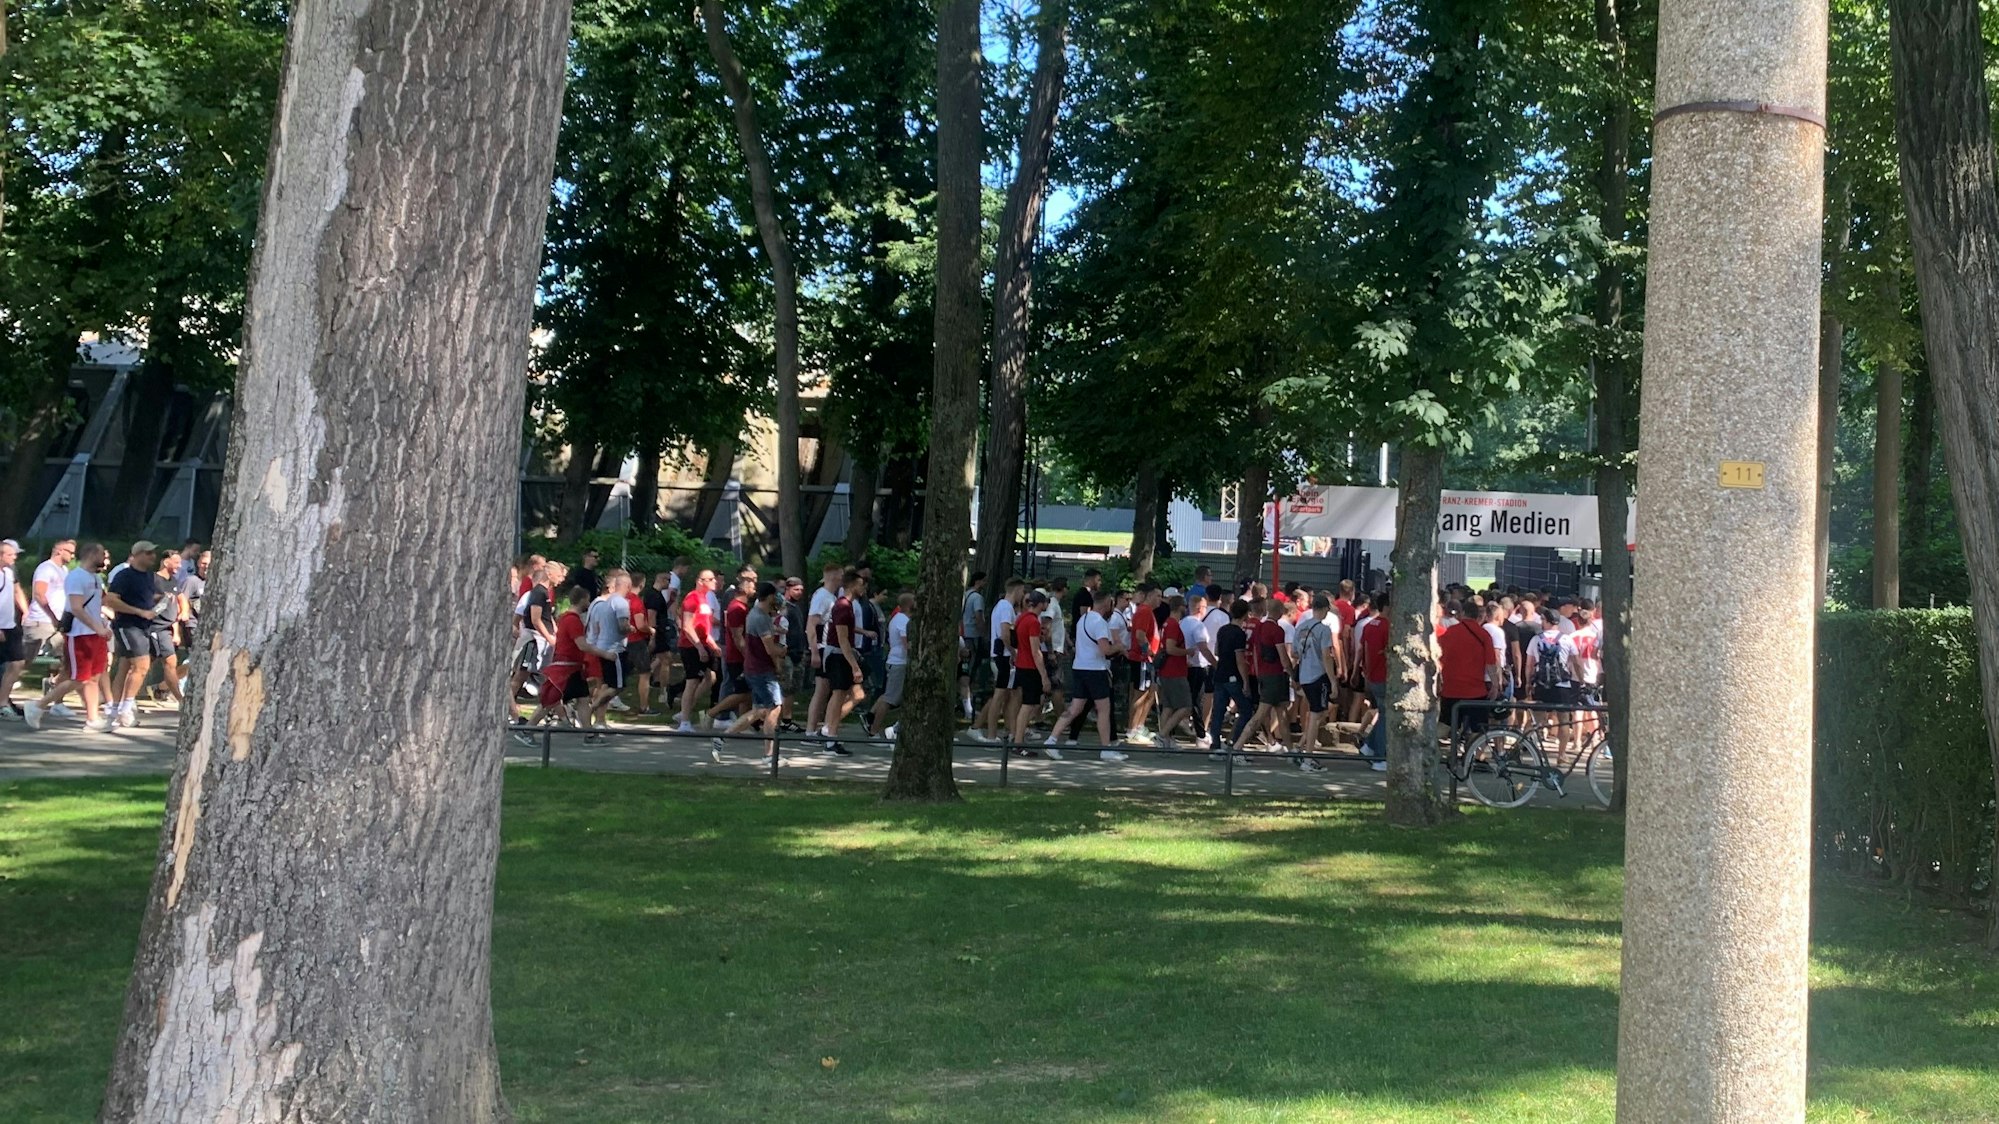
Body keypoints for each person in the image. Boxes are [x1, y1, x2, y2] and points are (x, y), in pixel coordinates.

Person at [24, 543, 113, 733]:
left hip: (95, 634)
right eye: (102, 555)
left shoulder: (96, 578)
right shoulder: (76, 577)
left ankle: (92, 719)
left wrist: (103, 625)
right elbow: (76, 607)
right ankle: (38, 705)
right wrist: (97, 627)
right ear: (92, 555)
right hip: (79, 634)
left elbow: (98, 604)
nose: (104, 560)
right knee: (79, 678)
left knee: (94, 677)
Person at [1043, 589, 1128, 761]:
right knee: (1104, 709)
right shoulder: (1100, 623)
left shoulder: (1083, 619)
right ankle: (1106, 749)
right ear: (1106, 603)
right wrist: (1119, 647)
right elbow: (1105, 650)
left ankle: (1051, 740)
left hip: (1080, 667)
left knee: (1075, 708)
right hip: (1095, 670)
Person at [720, 582, 786, 766]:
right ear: (771, 596)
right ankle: (769, 755)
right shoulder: (760, 617)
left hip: (754, 668)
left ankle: (722, 737)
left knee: (759, 711)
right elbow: (769, 648)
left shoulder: (756, 614)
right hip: (761, 670)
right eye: (776, 595)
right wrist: (782, 652)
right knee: (774, 709)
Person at [103, 542, 167, 728]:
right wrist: (139, 611)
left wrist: (159, 602)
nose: (152, 557)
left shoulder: (149, 577)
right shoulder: (125, 576)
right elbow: (110, 600)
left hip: (144, 627)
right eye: (148, 553)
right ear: (137, 554)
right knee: (141, 666)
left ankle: (115, 710)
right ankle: (125, 708)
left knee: (124, 668)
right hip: (128, 626)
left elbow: (150, 596)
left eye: (153, 553)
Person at [516, 588, 593, 742]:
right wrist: (603, 653)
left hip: (573, 667)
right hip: (565, 668)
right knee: (549, 701)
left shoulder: (567, 618)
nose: (589, 603)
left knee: (583, 699)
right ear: (583, 600)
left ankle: (589, 733)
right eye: (587, 599)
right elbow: (581, 644)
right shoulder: (572, 620)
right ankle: (528, 730)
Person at [1230, 598, 1295, 757]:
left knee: (1282, 714)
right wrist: (1293, 675)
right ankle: (1237, 747)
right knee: (1261, 715)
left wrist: (1259, 676)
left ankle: (1291, 750)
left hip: (1264, 674)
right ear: (1280, 612)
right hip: (1276, 676)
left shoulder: (1260, 628)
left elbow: (1257, 655)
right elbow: (1283, 657)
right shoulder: (1277, 630)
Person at [815, 569, 865, 753]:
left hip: (840, 654)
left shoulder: (846, 605)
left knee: (852, 695)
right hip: (838, 655)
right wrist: (854, 666)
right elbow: (843, 639)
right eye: (861, 584)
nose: (864, 588)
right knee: (838, 696)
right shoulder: (843, 606)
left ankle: (829, 732)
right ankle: (830, 739)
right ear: (851, 585)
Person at [1437, 598, 1501, 741]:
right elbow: (1490, 664)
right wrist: (1495, 684)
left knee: (1445, 725)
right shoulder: (1484, 635)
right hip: (1475, 690)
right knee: (1478, 731)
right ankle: (1471, 759)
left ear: (1462, 613)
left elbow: (1439, 656)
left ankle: (1428, 752)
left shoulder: (1450, 633)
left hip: (1451, 688)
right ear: (1478, 616)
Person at [581, 571, 632, 741]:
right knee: (617, 686)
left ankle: (599, 719)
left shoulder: (605, 602)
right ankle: (592, 708)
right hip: (613, 649)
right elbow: (622, 626)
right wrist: (631, 629)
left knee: (606, 684)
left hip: (602, 646)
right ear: (627, 586)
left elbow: (597, 625)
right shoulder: (620, 603)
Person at [706, 573, 756, 743]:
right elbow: (737, 636)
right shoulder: (736, 608)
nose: (755, 588)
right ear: (744, 589)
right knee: (743, 692)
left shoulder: (743, 607)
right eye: (752, 585)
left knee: (746, 692)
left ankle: (742, 724)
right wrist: (747, 656)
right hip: (737, 656)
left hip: (742, 655)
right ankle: (712, 713)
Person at [1292, 593, 1338, 772]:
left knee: (1317, 712)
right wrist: (1333, 680)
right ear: (1325, 609)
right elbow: (1327, 656)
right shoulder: (1324, 630)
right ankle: (1308, 756)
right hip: (1318, 675)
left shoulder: (1301, 627)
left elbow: (1295, 653)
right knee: (1316, 713)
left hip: (1304, 674)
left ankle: (1304, 747)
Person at [974, 578, 1024, 743]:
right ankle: (991, 734)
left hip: (1003, 655)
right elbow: (1004, 634)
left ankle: (1007, 730)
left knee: (1007, 694)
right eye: (1022, 592)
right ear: (1016, 590)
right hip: (1003, 656)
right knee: (999, 695)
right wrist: (1013, 652)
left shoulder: (1003, 607)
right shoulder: (1005, 607)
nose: (1022, 596)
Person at [804, 562, 845, 742]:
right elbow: (811, 625)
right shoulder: (822, 597)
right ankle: (811, 730)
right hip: (821, 647)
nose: (842, 578)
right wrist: (814, 651)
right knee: (821, 690)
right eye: (840, 575)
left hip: (826, 647)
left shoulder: (831, 597)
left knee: (825, 689)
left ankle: (817, 728)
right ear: (833, 576)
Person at [1208, 599, 1254, 758]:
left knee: (1218, 711)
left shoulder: (1223, 630)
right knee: (1246, 710)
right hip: (1233, 676)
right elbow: (1240, 659)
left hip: (1220, 673)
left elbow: (1217, 650)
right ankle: (1234, 742)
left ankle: (1215, 744)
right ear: (1245, 614)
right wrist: (1246, 681)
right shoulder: (1239, 633)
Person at [677, 570, 722, 732]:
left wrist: (712, 644)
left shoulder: (704, 599)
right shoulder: (692, 598)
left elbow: (705, 626)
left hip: (703, 643)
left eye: (714, 579)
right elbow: (687, 626)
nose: (714, 582)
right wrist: (699, 647)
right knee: (692, 681)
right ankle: (685, 722)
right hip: (690, 645)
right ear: (701, 581)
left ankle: (685, 710)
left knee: (712, 677)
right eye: (710, 579)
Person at [867, 592, 915, 740]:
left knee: (889, 694)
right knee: (890, 699)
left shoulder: (901, 618)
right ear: (909, 604)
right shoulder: (902, 620)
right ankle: (874, 732)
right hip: (899, 662)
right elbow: (906, 643)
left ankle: (869, 717)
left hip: (896, 661)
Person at [1152, 596, 1198, 750]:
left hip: (1168, 671)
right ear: (1180, 607)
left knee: (1169, 706)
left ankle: (1165, 739)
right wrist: (1188, 651)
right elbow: (1171, 648)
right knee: (1185, 706)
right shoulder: (1172, 625)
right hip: (1174, 672)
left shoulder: (1167, 623)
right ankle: (1163, 734)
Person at [25, 539, 75, 674]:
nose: (73, 556)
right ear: (59, 551)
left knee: (65, 656)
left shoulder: (64, 570)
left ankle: (53, 687)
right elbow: (39, 594)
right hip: (41, 621)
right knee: (24, 661)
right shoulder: (46, 568)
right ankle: (5, 683)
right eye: (70, 552)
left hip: (58, 622)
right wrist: (52, 616)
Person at [1008, 590, 1051, 748]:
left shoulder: (1021, 618)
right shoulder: (1033, 621)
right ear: (1040, 604)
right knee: (1028, 705)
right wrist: (1044, 676)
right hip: (1029, 666)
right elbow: (1035, 650)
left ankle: (1017, 736)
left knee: (1025, 703)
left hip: (1021, 663)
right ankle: (1019, 741)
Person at [1123, 585, 1162, 744]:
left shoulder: (1147, 612)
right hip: (1142, 659)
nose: (1160, 599)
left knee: (1149, 692)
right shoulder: (1145, 611)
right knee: (1140, 694)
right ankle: (1132, 728)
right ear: (1150, 595)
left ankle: (1139, 726)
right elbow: (1140, 635)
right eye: (1158, 596)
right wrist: (1149, 653)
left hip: (1146, 660)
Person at [1357, 594, 1390, 770]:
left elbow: (1364, 649)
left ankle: (1369, 746)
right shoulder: (1388, 627)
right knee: (1386, 716)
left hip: (1372, 675)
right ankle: (1379, 756)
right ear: (1387, 607)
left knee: (1384, 713)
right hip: (1384, 676)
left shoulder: (1370, 625)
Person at [642, 571, 676, 714]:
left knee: (665, 659)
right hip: (657, 633)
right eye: (668, 580)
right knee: (666, 659)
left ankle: (662, 689)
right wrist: (652, 635)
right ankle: (663, 691)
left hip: (659, 631)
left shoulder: (657, 596)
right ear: (661, 580)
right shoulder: (654, 596)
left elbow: (660, 611)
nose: (669, 584)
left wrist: (670, 602)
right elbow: (651, 616)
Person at [0, 539, 26, 715]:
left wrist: (25, 610)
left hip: (10, 625)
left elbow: (17, 590)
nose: (14, 557)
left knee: (17, 662)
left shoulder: (9, 573)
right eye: (10, 554)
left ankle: (3, 702)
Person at [781, 577, 809, 731]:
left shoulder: (797, 607)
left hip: (799, 651)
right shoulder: (784, 607)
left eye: (801, 590)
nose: (799, 593)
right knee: (784, 687)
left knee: (792, 688)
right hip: (787, 652)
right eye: (796, 590)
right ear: (788, 589)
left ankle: (787, 719)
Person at [958, 572, 987, 721]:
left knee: (963, 668)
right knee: (970, 669)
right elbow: (978, 617)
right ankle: (968, 704)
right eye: (984, 581)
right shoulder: (977, 598)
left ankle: (962, 702)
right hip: (973, 635)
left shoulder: (966, 595)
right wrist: (983, 632)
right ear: (978, 581)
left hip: (963, 634)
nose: (985, 583)